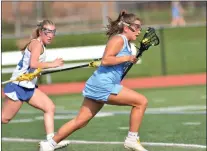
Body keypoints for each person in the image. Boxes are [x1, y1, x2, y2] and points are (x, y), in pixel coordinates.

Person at [39, 10, 148, 151]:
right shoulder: (119, 39)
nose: (139, 31)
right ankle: (132, 140)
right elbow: (106, 60)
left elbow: (115, 62)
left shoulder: (125, 42)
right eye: (137, 27)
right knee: (141, 102)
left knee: (81, 121)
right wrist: (126, 58)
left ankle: (49, 145)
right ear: (127, 28)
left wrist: (128, 60)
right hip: (103, 85)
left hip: (100, 84)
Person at [2, 19, 69, 149]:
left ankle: (50, 142)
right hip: (18, 86)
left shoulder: (40, 45)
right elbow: (33, 63)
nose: (51, 35)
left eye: (53, 32)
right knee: (4, 119)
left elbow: (33, 67)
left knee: (49, 107)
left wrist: (37, 72)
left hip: (29, 87)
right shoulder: (36, 44)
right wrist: (52, 64)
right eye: (47, 31)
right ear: (40, 31)